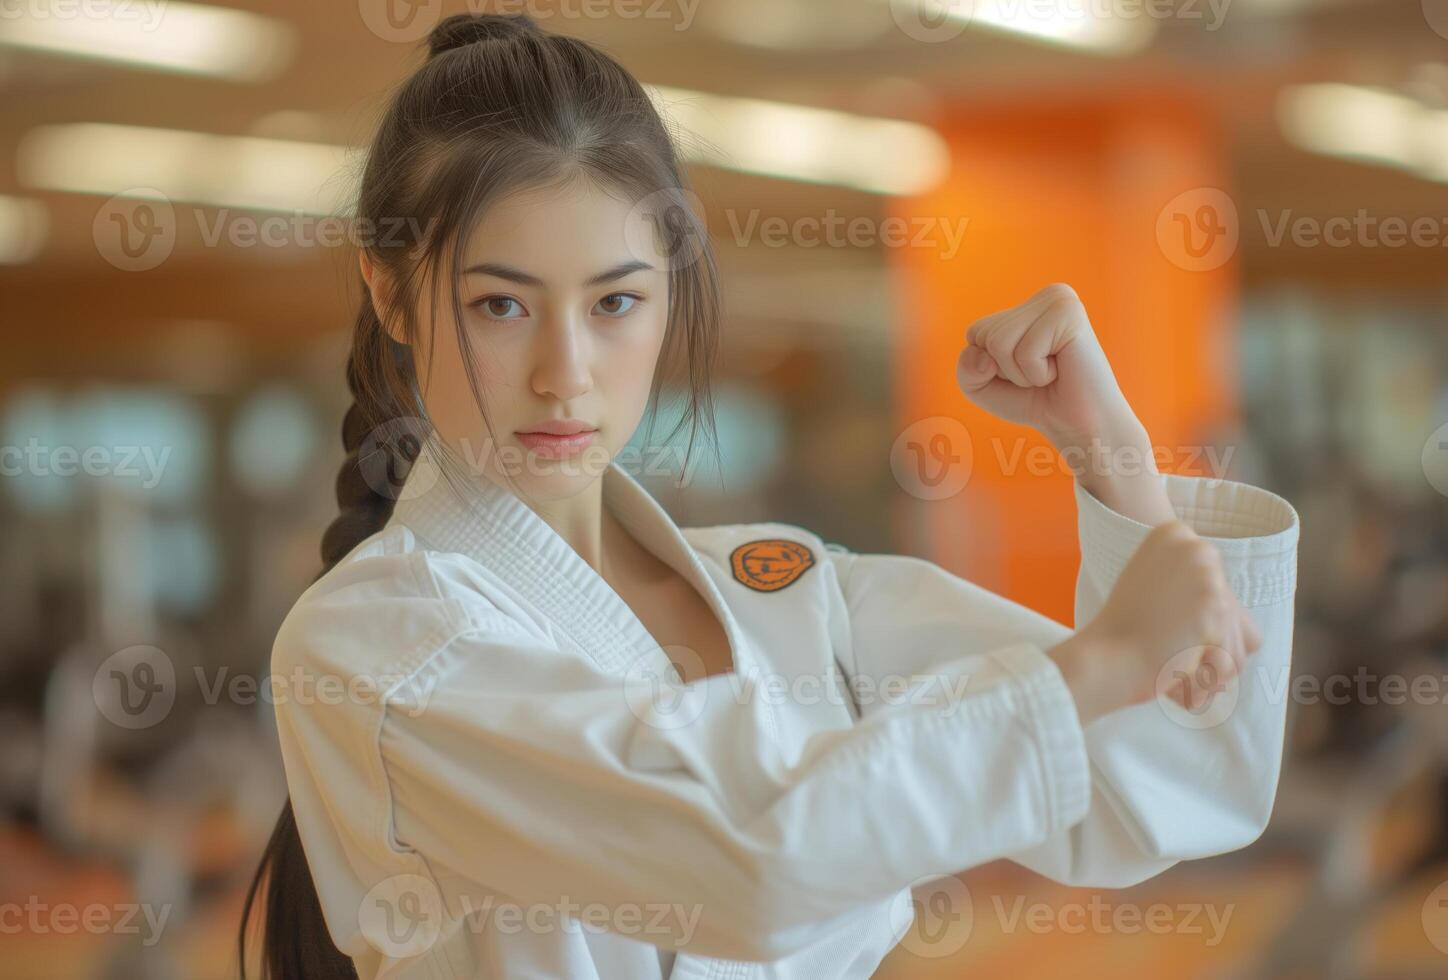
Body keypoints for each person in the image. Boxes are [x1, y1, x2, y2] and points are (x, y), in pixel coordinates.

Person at [237, 12, 1301, 980]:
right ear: (390, 290)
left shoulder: (790, 593)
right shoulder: (372, 643)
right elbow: (748, 858)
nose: (566, 371)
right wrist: (1099, 658)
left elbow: (1177, 778)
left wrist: (1109, 455)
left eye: (615, 300)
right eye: (501, 303)